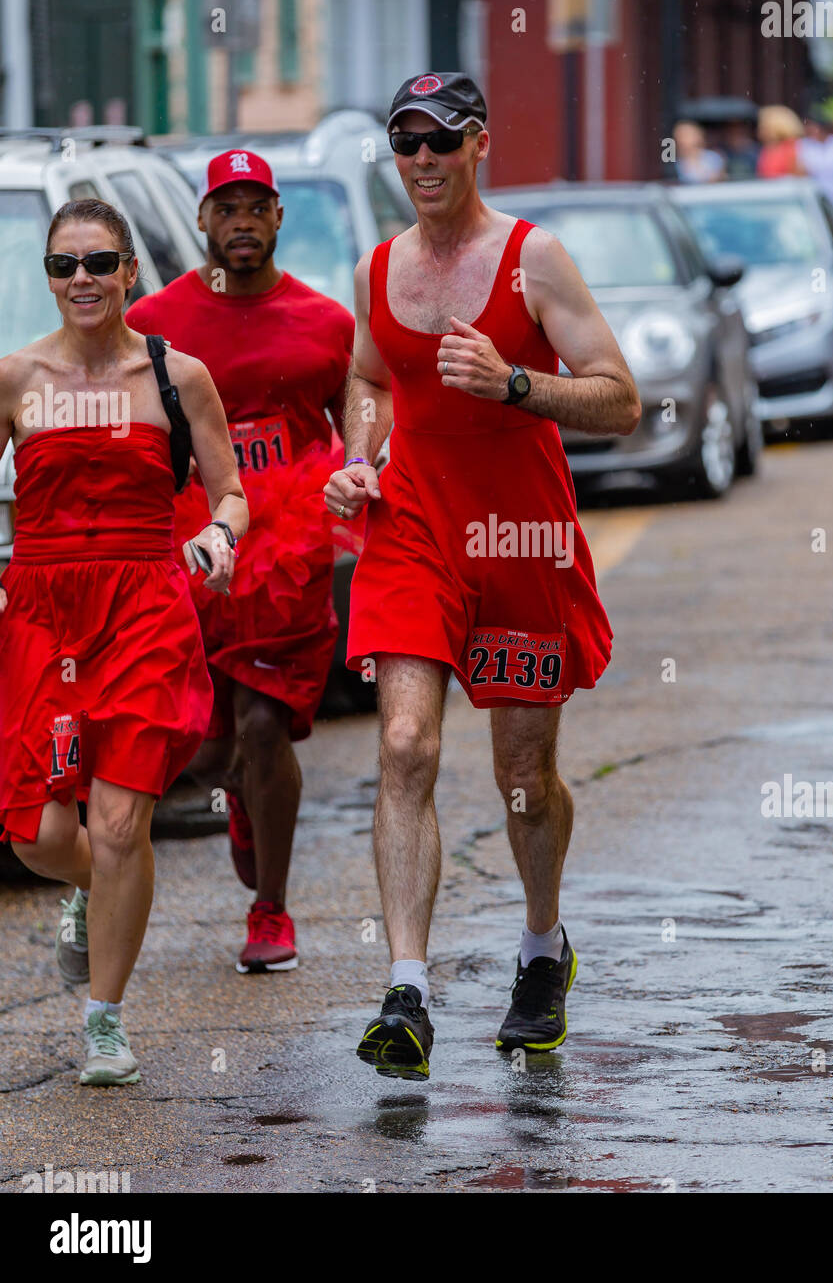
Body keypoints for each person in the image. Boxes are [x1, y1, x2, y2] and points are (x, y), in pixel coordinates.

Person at [323, 72, 640, 1080]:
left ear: (478, 145)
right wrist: (363, 457)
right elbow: (370, 379)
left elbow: (620, 399)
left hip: (518, 537)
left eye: (439, 141)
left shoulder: (531, 258)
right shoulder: (379, 268)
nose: (420, 159)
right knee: (407, 743)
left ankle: (541, 948)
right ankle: (406, 989)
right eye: (404, 142)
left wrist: (512, 383)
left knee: (519, 778)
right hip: (414, 529)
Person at [0, 199, 247, 1084]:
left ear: (131, 271)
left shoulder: (179, 377)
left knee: (116, 822)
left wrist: (220, 535)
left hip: (144, 605)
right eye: (64, 267)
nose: (82, 281)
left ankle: (104, 1021)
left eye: (99, 263)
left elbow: (230, 491)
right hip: (38, 607)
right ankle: (92, 890)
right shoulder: (15, 375)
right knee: (33, 830)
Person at [126, 150, 357, 974]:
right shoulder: (153, 320)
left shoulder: (326, 321)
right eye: (227, 208)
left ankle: (272, 909)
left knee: (266, 725)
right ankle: (242, 804)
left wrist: (363, 471)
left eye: (256, 207)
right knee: (207, 740)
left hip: (290, 552)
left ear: (279, 218)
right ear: (202, 221)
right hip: (193, 545)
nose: (242, 222)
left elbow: (357, 416)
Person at [756, 105, 806, 179]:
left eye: (763, 127)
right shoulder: (768, 148)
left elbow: (798, 176)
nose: (759, 130)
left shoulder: (792, 147)